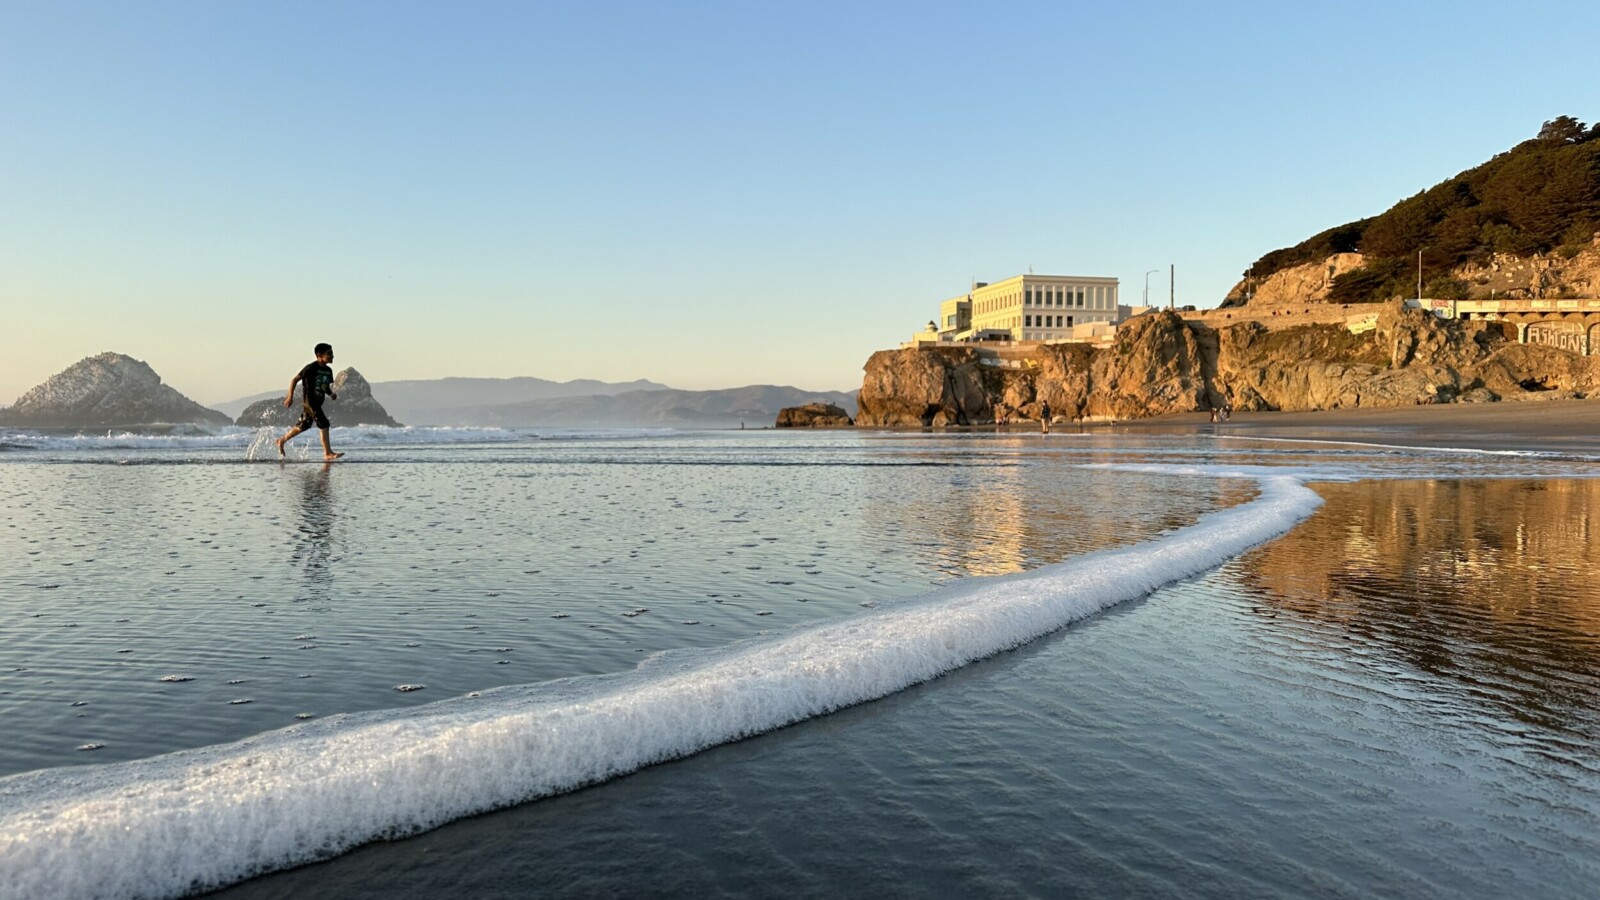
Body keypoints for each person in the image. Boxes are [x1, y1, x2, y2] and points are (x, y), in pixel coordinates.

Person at [275, 343, 344, 460]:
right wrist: (289, 397)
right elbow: (294, 380)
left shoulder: (328, 371)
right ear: (319, 355)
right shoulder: (310, 368)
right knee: (324, 423)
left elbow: (324, 386)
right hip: (310, 401)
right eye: (329, 354)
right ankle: (327, 453)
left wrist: (331, 393)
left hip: (317, 402)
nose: (332, 356)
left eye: (332, 354)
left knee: (303, 426)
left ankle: (281, 440)